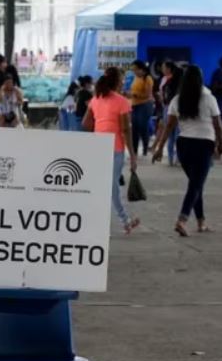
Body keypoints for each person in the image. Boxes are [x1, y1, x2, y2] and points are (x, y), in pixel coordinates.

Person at [153, 66, 222, 236]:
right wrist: (220, 143)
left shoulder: (177, 99)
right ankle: (182, 220)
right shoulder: (208, 97)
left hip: (183, 146)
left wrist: (160, 148)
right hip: (204, 144)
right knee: (196, 185)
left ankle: (201, 222)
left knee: (196, 184)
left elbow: (169, 125)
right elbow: (217, 124)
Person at [83, 67, 139, 235]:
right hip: (115, 148)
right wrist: (133, 155)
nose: (123, 83)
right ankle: (123, 220)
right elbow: (126, 130)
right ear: (116, 82)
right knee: (111, 186)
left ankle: (119, 220)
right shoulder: (122, 101)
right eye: (122, 80)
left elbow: (85, 123)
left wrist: (100, 127)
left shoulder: (96, 99)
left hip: (98, 148)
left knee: (107, 185)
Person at [128, 60, 155, 156]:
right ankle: (134, 150)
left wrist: (134, 94)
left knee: (143, 127)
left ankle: (145, 150)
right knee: (134, 128)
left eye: (135, 70)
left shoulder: (148, 78)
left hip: (145, 105)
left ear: (141, 69)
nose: (134, 72)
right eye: (133, 70)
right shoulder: (136, 78)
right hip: (134, 105)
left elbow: (147, 95)